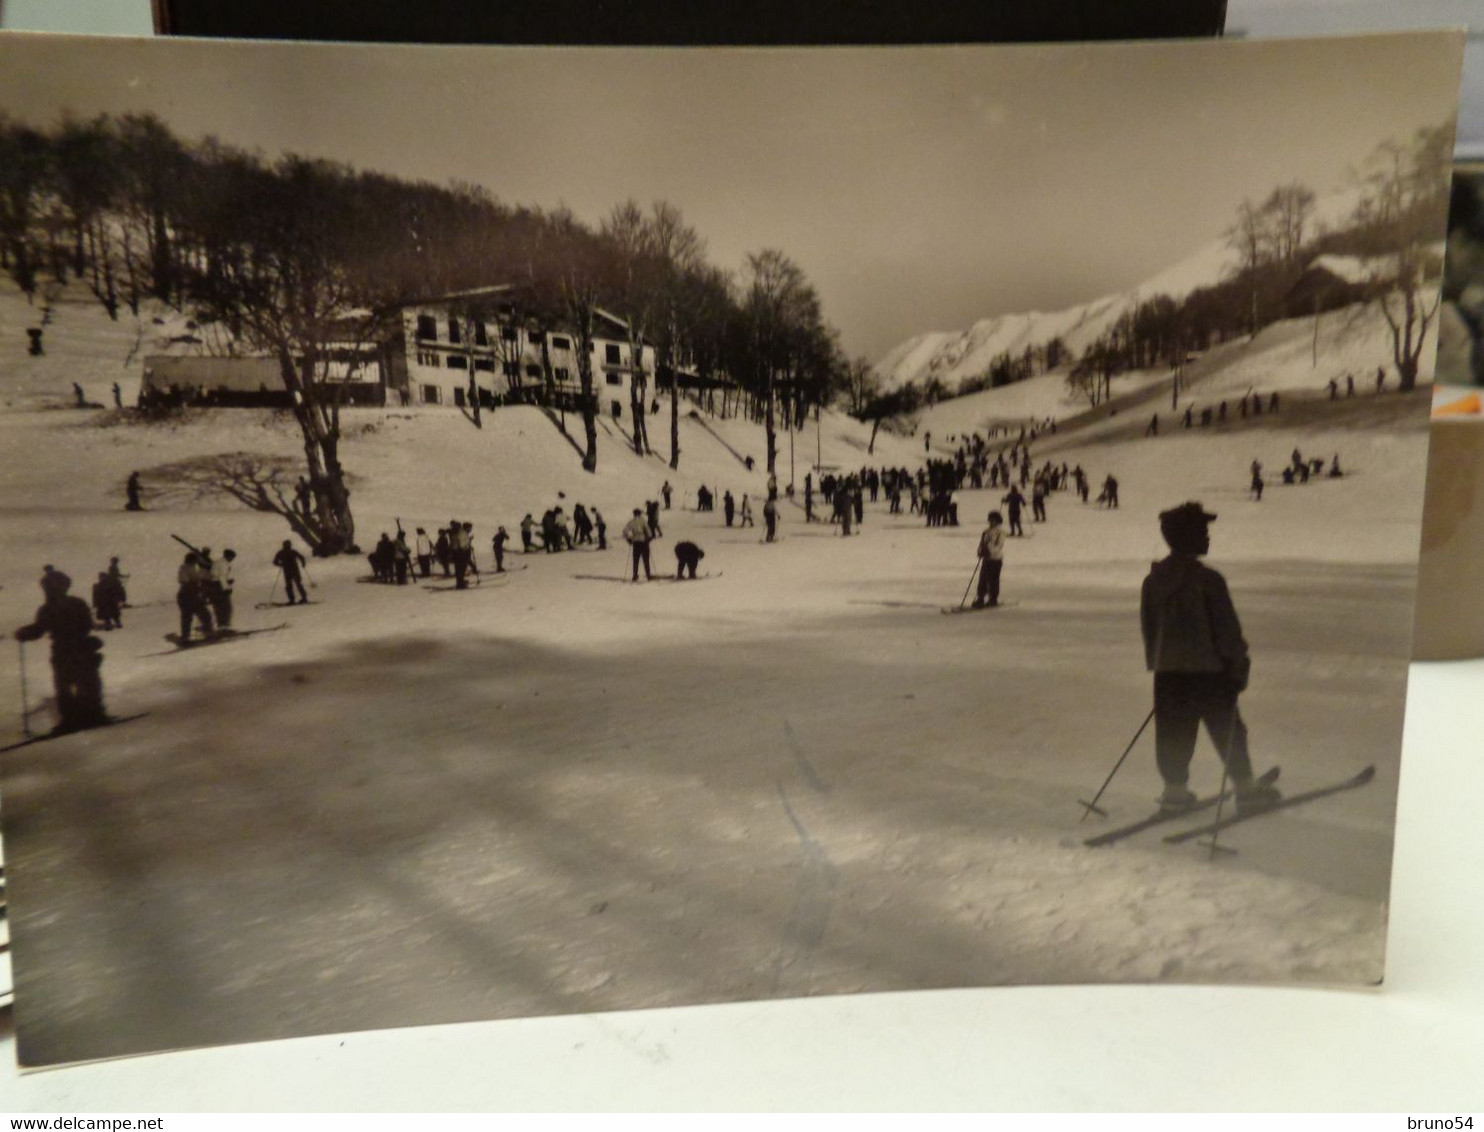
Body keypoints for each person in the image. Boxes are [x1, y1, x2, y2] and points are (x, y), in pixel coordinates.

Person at [1140, 502, 1280, 815]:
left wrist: (1161, 663)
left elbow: (1148, 630)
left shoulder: (1152, 581)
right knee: (1228, 729)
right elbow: (1227, 630)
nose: (1207, 537)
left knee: (1174, 732)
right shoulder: (1208, 580)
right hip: (1209, 672)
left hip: (1169, 672)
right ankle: (1246, 791)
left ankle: (1174, 793)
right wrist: (1238, 666)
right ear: (1187, 536)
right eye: (1201, 531)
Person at [15, 569, 107, 733]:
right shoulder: (76, 603)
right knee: (86, 681)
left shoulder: (48, 609)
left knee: (65, 685)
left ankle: (73, 719)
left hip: (64, 650)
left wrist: (24, 634)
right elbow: (86, 624)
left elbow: (39, 630)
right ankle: (93, 714)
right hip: (80, 647)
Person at [176, 551, 215, 642]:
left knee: (188, 617)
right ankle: (207, 634)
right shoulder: (185, 568)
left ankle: (186, 637)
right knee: (203, 615)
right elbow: (185, 582)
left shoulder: (191, 568)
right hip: (188, 595)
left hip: (189, 595)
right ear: (193, 560)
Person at [974, 511, 1006, 608]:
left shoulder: (1000, 532)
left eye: (993, 520)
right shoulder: (986, 531)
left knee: (993, 580)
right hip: (986, 559)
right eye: (990, 520)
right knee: (982, 579)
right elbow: (981, 544)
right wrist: (980, 551)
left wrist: (989, 549)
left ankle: (993, 598)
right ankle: (980, 598)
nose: (991, 522)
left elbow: (999, 546)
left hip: (996, 559)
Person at [273, 539, 309, 605]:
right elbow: (301, 557)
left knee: (289, 586)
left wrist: (280, 564)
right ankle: (304, 598)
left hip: (287, 571)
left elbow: (275, 562)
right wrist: (303, 564)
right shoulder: (292, 551)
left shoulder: (281, 552)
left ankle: (292, 600)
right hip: (295, 570)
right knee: (299, 584)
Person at [624, 508, 654, 581]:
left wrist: (629, 539)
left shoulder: (631, 522)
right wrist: (649, 539)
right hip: (643, 542)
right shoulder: (643, 521)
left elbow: (625, 531)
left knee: (636, 560)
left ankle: (635, 575)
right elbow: (648, 532)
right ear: (640, 514)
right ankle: (648, 575)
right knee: (646, 560)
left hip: (635, 542)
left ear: (634, 514)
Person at [209, 548, 237, 627]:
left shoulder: (217, 562)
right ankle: (225, 627)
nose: (232, 559)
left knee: (218, 608)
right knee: (226, 607)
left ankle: (220, 626)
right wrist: (227, 588)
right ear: (228, 556)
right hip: (219, 587)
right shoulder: (223, 564)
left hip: (213, 586)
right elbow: (222, 577)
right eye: (232, 557)